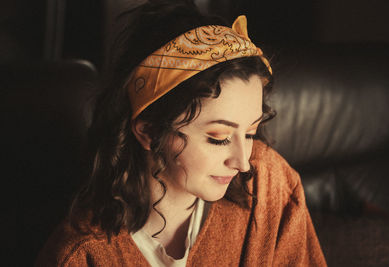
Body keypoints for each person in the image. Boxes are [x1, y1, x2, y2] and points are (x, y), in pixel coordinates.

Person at [36, 1, 327, 266]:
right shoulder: (83, 255)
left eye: (250, 133)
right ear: (149, 132)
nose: (243, 162)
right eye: (219, 137)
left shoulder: (270, 183)